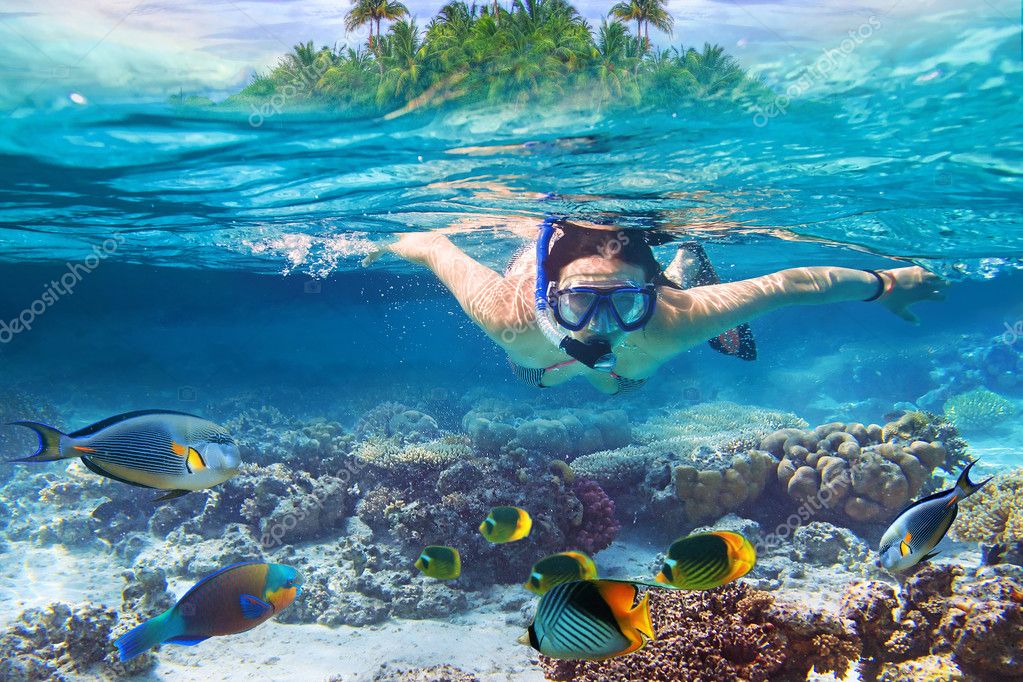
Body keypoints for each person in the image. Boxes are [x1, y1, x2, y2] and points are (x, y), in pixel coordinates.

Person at [367, 218, 946, 395]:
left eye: (623, 302)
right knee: (545, 374)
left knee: (622, 381)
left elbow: (792, 283)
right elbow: (434, 245)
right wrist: (374, 244)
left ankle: (683, 264)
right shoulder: (508, 315)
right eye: (578, 302)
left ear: (652, 296)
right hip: (541, 365)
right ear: (548, 297)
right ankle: (677, 269)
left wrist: (886, 284)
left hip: (647, 333)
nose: (599, 325)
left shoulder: (673, 318)